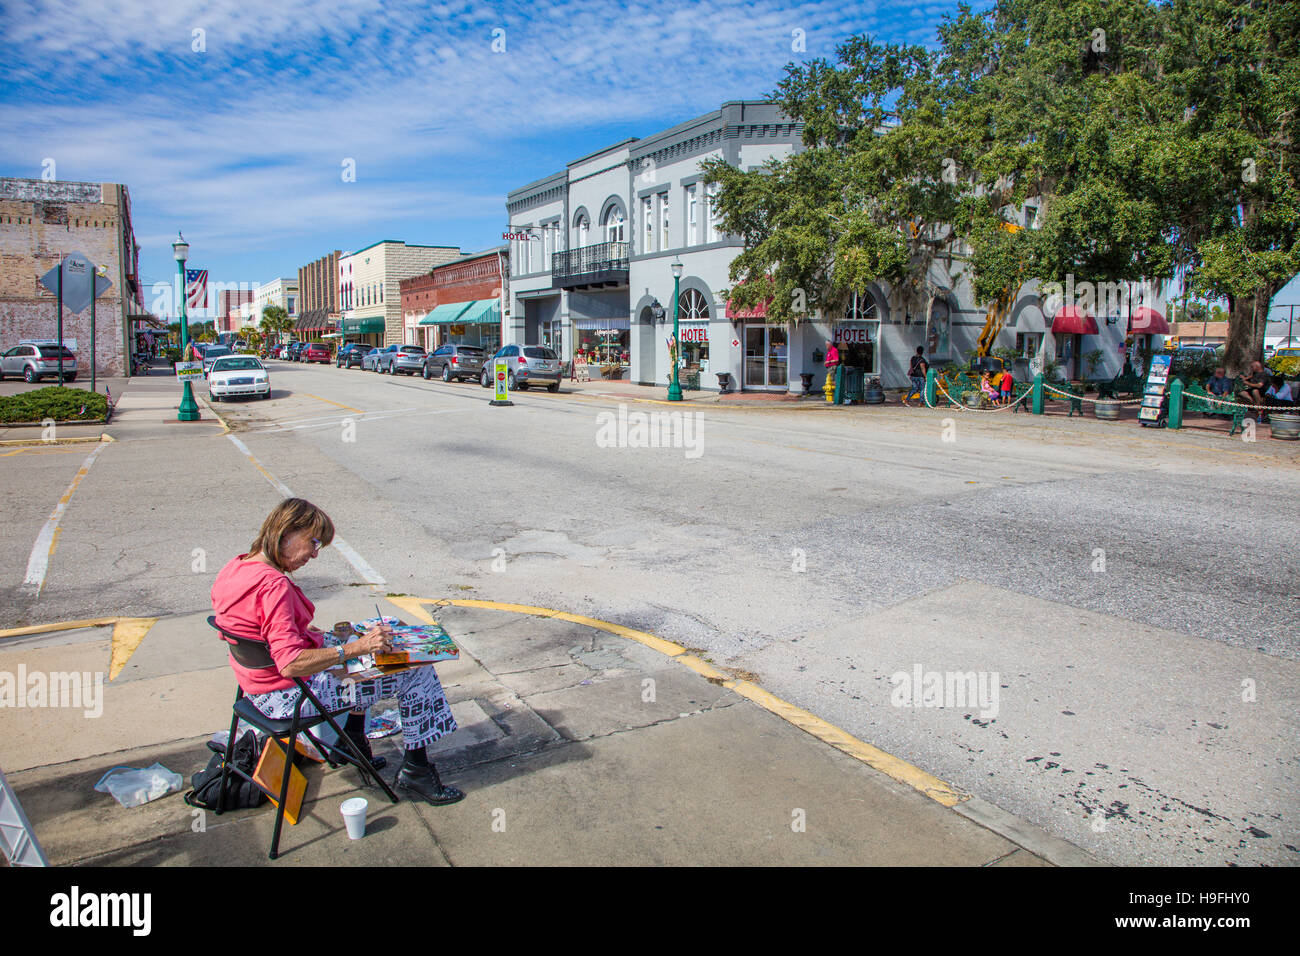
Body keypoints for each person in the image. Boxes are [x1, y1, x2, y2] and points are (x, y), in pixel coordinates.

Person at [211, 498, 463, 805]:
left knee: (373, 629)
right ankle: (416, 770)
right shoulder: (273, 585)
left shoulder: (236, 567)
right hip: (292, 698)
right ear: (288, 531)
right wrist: (357, 647)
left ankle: (355, 739)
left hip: (256, 690)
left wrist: (304, 632)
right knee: (417, 670)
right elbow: (290, 662)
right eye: (313, 543)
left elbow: (250, 625)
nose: (314, 555)